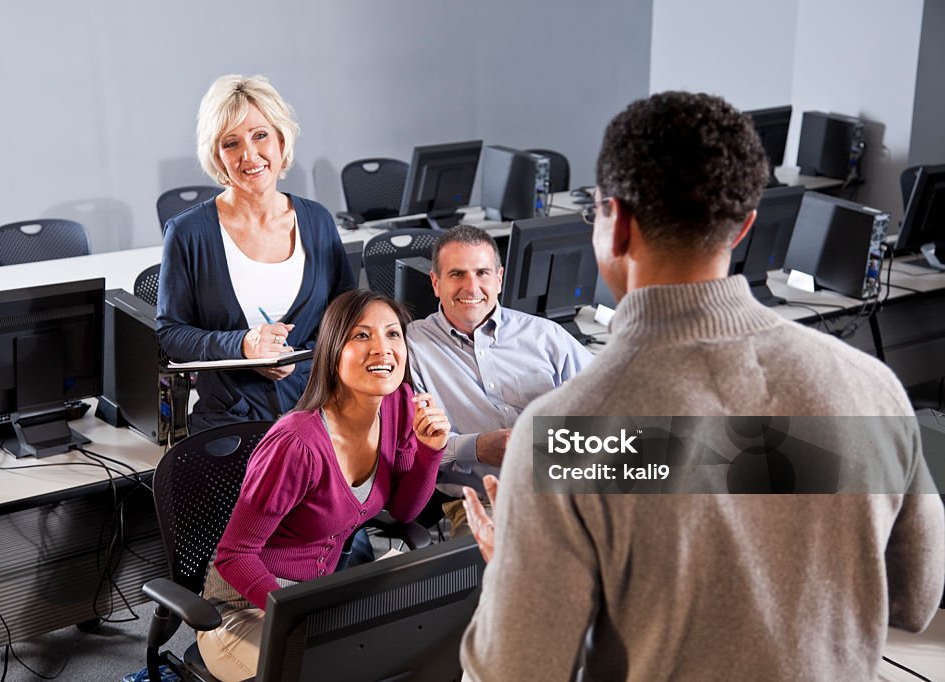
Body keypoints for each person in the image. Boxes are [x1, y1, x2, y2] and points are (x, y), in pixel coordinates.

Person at [460, 92, 944, 680]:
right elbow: (916, 598)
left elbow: (518, 669)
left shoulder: (567, 437)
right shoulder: (873, 389)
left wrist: (514, 573)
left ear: (618, 225)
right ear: (743, 227)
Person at [197, 288, 449, 681]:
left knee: (432, 641)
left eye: (393, 334)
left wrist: (429, 452)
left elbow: (403, 511)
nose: (382, 348)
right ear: (333, 352)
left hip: (323, 599)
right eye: (362, 335)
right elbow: (234, 556)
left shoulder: (399, 404)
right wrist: (303, 615)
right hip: (244, 611)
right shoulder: (297, 444)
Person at [158, 74, 354, 432]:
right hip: (229, 421)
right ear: (217, 156)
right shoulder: (188, 233)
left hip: (317, 414)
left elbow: (346, 319)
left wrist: (297, 360)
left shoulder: (319, 221)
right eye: (231, 143)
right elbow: (171, 334)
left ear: (281, 139)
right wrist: (243, 345)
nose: (249, 155)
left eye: (260, 135)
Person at [406, 225, 590, 535]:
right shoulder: (410, 349)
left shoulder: (545, 335)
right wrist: (475, 447)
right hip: (486, 504)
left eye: (482, 273)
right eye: (457, 275)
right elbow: (410, 448)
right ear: (435, 283)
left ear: (499, 279)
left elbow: (612, 401)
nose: (472, 287)